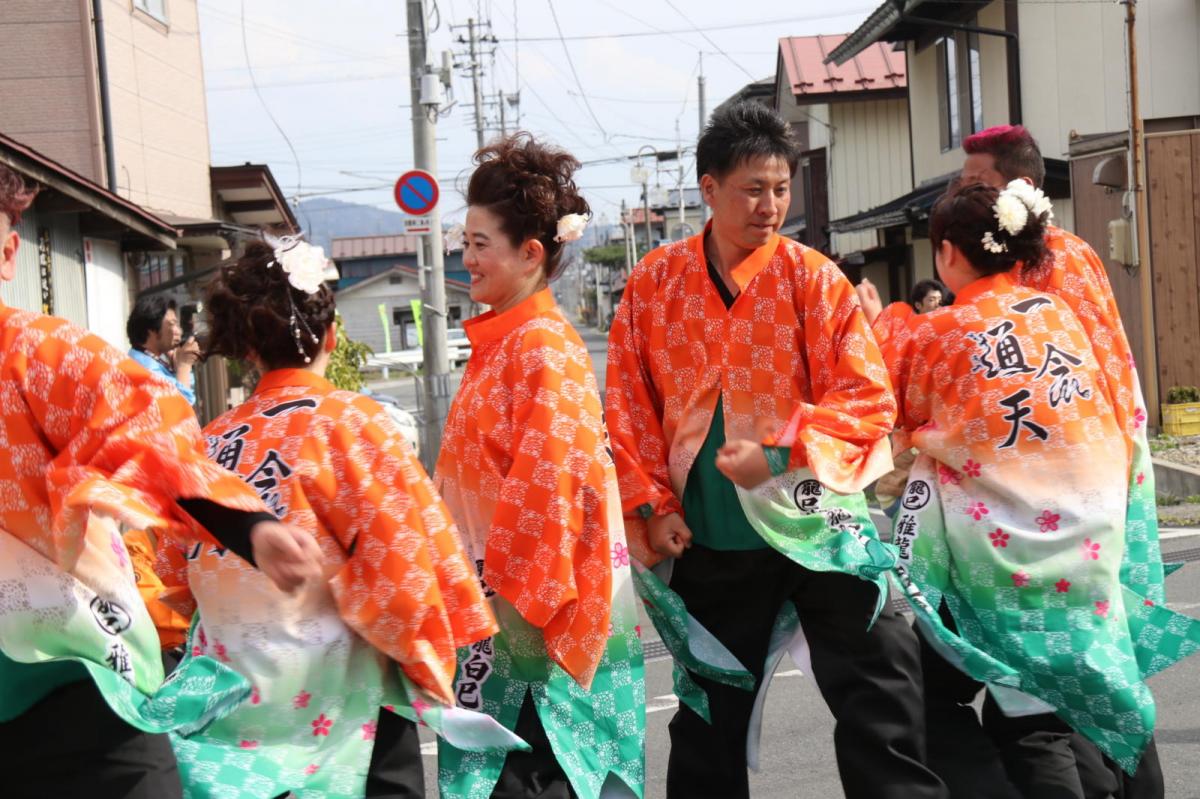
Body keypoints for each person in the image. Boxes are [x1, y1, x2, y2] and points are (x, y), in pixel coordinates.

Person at [606, 100, 945, 799]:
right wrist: (650, 504)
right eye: (752, 189)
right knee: (708, 717)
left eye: (781, 188)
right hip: (711, 536)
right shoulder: (652, 287)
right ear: (708, 189)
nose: (770, 205)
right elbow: (629, 412)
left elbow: (866, 398)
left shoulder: (814, 279)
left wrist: (784, 448)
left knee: (882, 680)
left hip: (819, 525)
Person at [0, 165, 323, 799]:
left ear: (8, 251)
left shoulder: (36, 355)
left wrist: (246, 526)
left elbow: (140, 429)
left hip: (81, 686)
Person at [873, 180, 1199, 799]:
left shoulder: (940, 333)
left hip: (1005, 563)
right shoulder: (1062, 316)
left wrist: (882, 321)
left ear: (946, 253)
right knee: (1096, 697)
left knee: (1012, 713)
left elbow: (888, 410)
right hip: (1089, 545)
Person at [162, 237, 509, 799]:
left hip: (233, 711)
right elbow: (410, 567)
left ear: (248, 350)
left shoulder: (207, 445)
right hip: (348, 707)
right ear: (331, 336)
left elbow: (170, 585)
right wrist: (427, 659)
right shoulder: (352, 423)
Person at [434, 133, 645, 799]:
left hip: (528, 620)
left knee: (536, 779)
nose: (465, 258)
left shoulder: (542, 348)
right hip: (493, 605)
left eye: (479, 244)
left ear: (530, 253)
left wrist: (497, 612)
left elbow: (556, 497)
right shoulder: (504, 343)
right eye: (463, 242)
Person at [127, 294, 202, 405]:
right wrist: (184, 366)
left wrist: (178, 366)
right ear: (151, 330)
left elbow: (187, 390)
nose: (179, 331)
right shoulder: (144, 369)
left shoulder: (147, 360)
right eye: (172, 324)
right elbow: (179, 407)